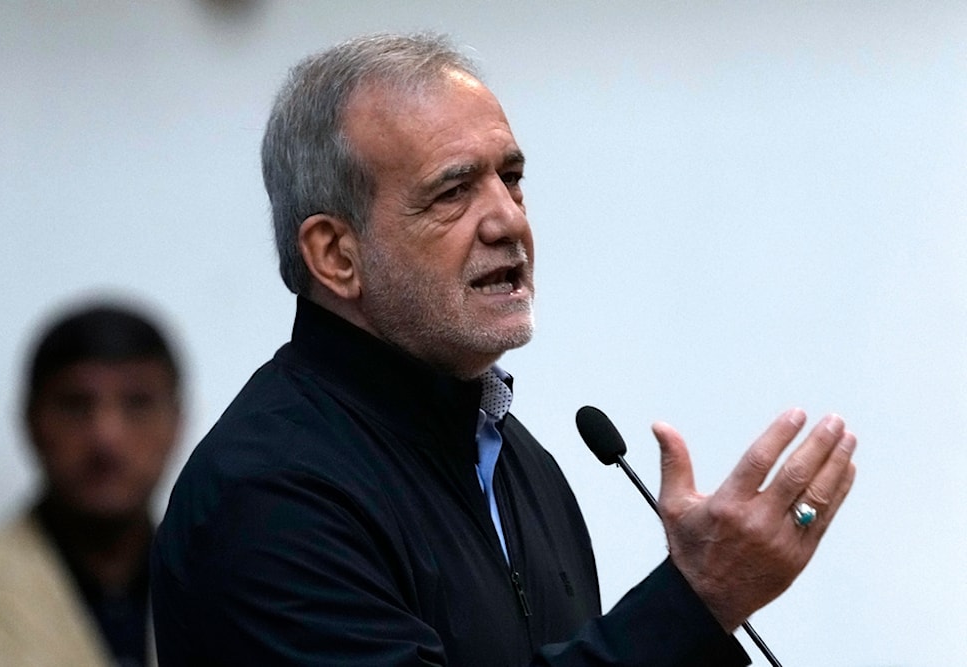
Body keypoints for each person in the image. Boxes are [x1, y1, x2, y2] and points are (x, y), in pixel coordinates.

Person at [151, 32, 857, 666]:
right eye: (453, 192)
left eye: (511, 178)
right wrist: (695, 602)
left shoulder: (523, 464)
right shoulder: (269, 492)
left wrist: (700, 613)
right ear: (337, 254)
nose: (507, 221)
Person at [0, 302, 183, 667]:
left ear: (175, 422)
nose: (106, 437)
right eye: (75, 404)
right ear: (31, 422)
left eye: (137, 403)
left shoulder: (228, 585)